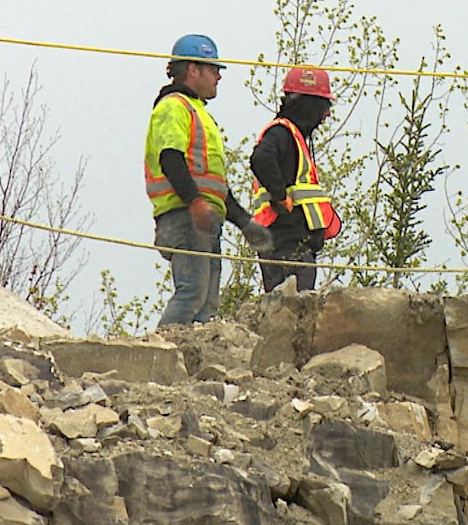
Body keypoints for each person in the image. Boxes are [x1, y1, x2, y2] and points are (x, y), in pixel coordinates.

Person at [144, 34, 274, 327]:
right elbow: (171, 159)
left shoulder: (198, 112)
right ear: (193, 69)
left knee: (206, 304)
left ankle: (189, 365)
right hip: (183, 216)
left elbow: (213, 186)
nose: (218, 76)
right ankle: (160, 355)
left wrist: (244, 223)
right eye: (213, 69)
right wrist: (195, 203)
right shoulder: (174, 107)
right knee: (192, 293)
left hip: (200, 217)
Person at [249, 67, 342, 292]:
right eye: (324, 105)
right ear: (309, 104)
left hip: (292, 245)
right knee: (291, 315)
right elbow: (261, 159)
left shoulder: (292, 136)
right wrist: (280, 196)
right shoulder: (281, 133)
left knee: (294, 313)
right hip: (285, 244)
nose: (327, 114)